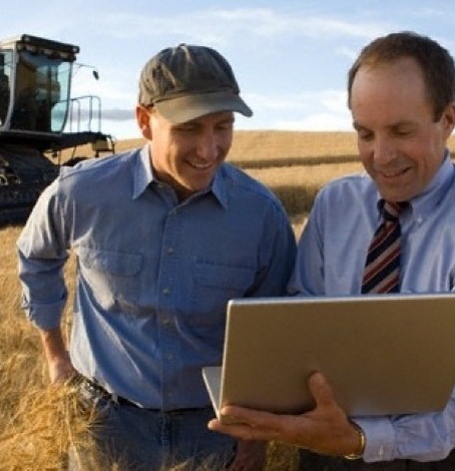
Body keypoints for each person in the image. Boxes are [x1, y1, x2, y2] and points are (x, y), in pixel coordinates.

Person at [209, 31, 455, 469]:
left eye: (401, 131)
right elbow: (303, 312)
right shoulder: (335, 203)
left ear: (447, 119)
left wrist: (363, 438)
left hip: (436, 455)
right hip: (323, 450)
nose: (380, 156)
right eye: (364, 133)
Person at [16, 43, 297, 470]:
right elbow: (36, 258)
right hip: (103, 425)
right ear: (145, 122)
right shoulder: (81, 193)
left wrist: (253, 434)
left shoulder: (261, 215)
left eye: (223, 127)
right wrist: (56, 357)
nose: (209, 149)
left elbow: (272, 331)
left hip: (211, 434)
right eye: (189, 129)